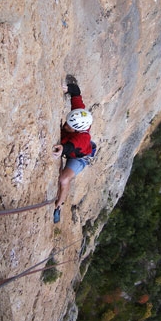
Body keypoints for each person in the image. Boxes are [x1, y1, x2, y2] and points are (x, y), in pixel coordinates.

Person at [52, 81, 93, 223]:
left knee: (64, 179)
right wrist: (68, 88)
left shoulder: (82, 138)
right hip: (73, 149)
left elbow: (72, 146)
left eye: (69, 126)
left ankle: (59, 206)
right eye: (67, 122)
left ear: (76, 130)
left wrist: (63, 148)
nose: (65, 125)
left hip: (80, 157)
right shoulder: (79, 115)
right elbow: (77, 93)